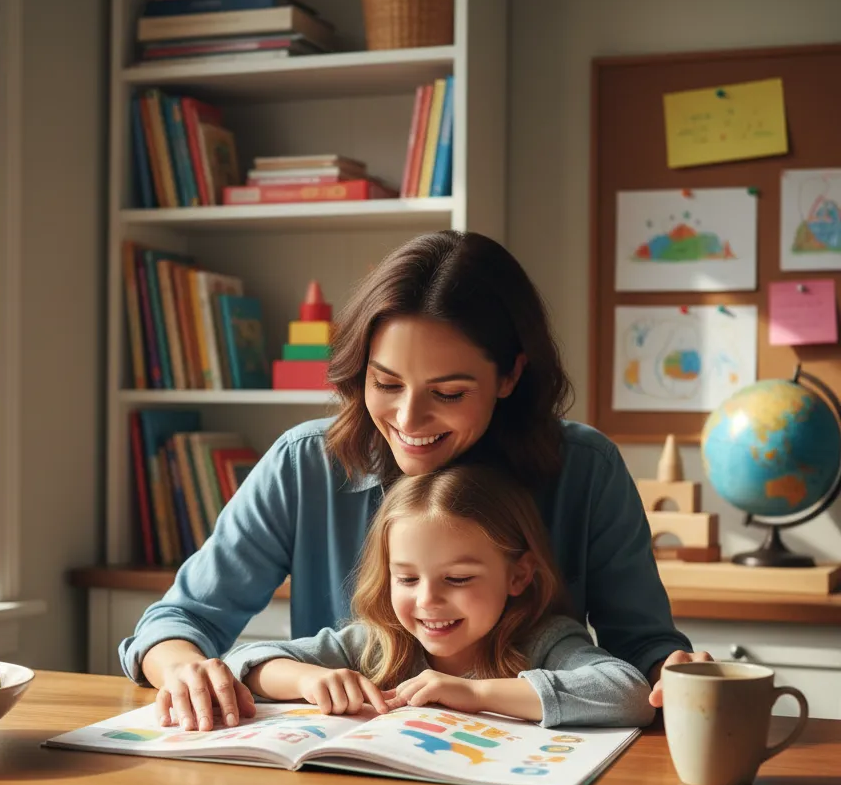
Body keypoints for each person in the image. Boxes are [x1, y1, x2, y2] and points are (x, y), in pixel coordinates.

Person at [118, 230, 708, 730]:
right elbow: (178, 623)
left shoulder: (585, 469)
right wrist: (186, 670)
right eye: (386, 383)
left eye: (448, 394)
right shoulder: (305, 463)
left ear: (509, 376)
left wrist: (673, 672)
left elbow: (641, 652)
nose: (407, 421)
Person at [204, 466, 655, 729]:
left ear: (518, 576)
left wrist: (476, 694)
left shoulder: (543, 641)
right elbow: (253, 660)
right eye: (406, 579)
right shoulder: (376, 642)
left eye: (457, 579)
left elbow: (629, 692)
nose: (428, 601)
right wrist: (305, 680)